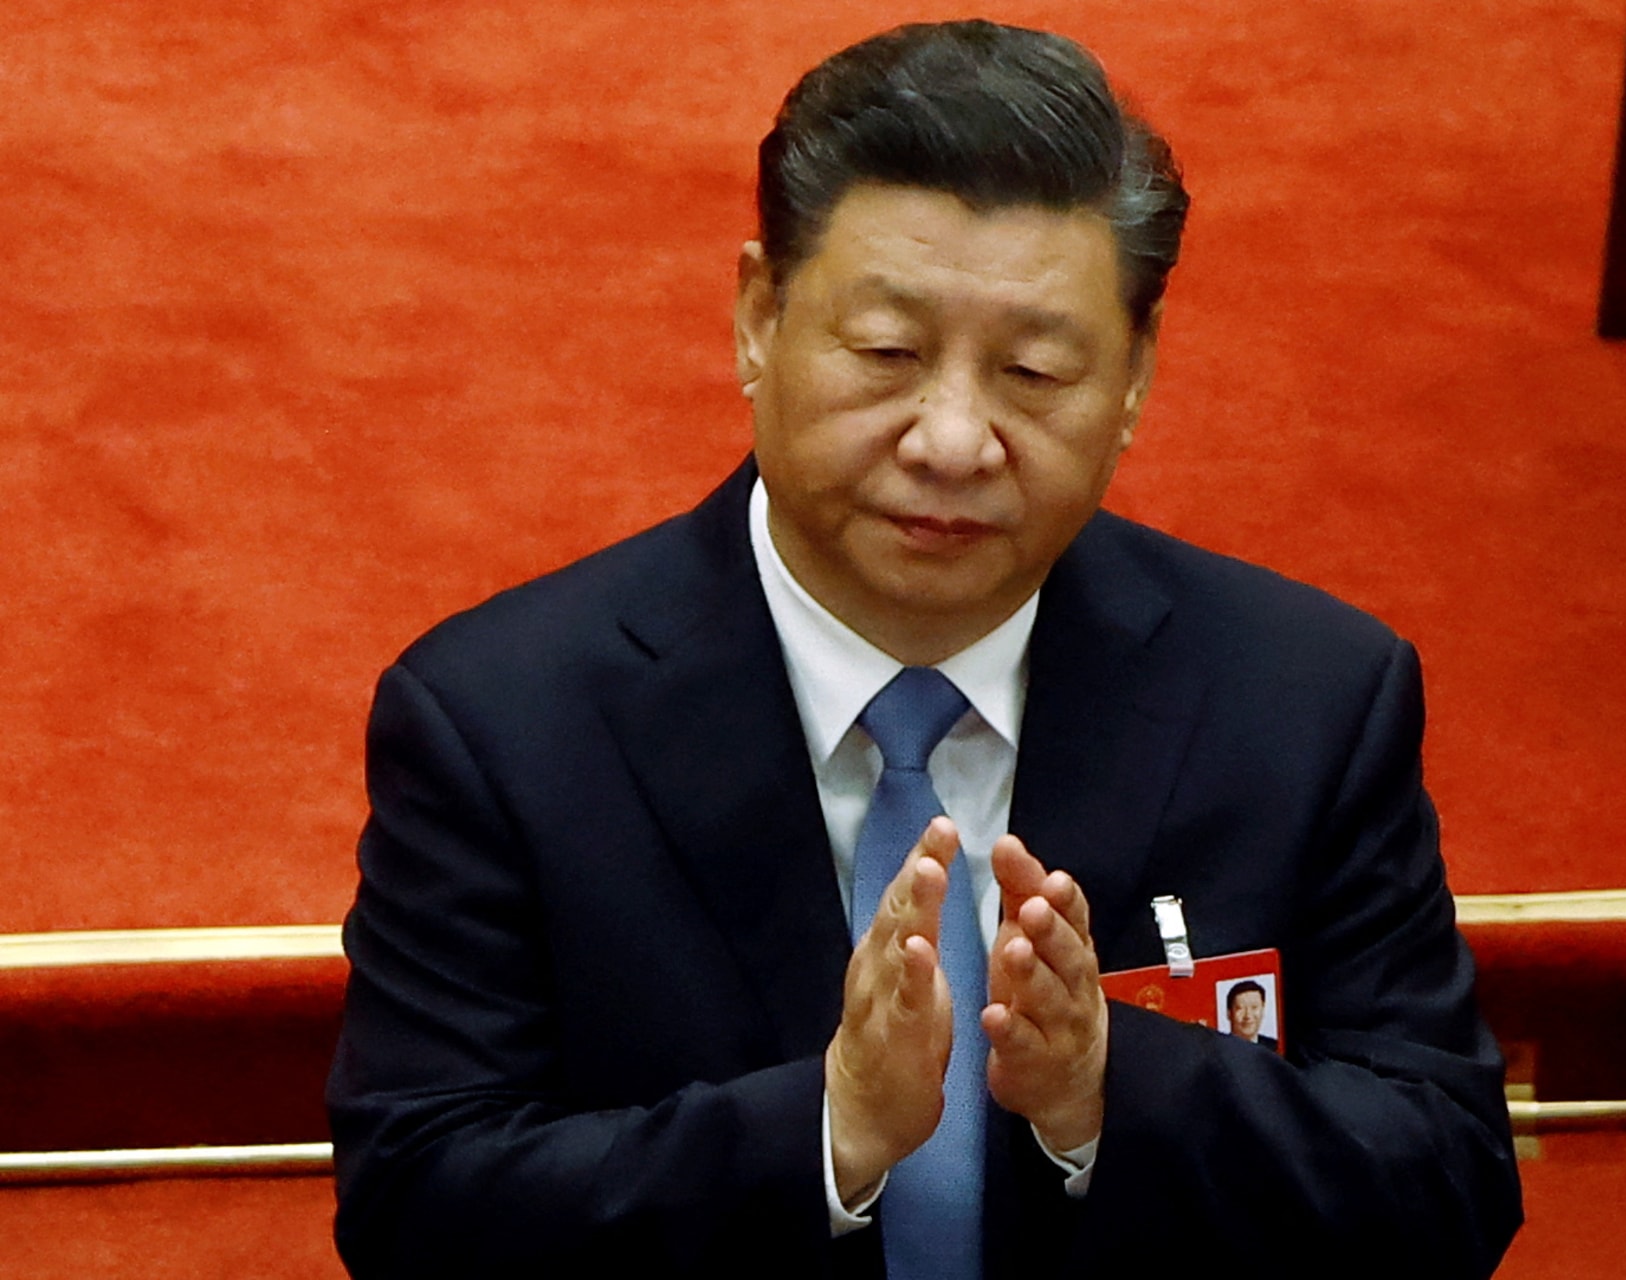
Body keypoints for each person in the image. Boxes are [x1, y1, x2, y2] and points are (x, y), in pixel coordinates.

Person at [327, 19, 1522, 1279]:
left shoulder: (1305, 698)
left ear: (1134, 376)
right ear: (757, 317)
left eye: (1034, 371)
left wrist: (1107, 1086)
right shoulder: (502, 723)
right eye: (889, 354)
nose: (953, 440)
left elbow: (1447, 1178)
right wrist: (828, 1127)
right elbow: (418, 1208)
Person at [1224, 979, 1279, 1049]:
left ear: (1262, 1009)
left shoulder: (1275, 1047)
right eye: (1240, 1008)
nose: (1248, 1015)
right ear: (1229, 1013)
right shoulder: (1218, 1050)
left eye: (1254, 1007)